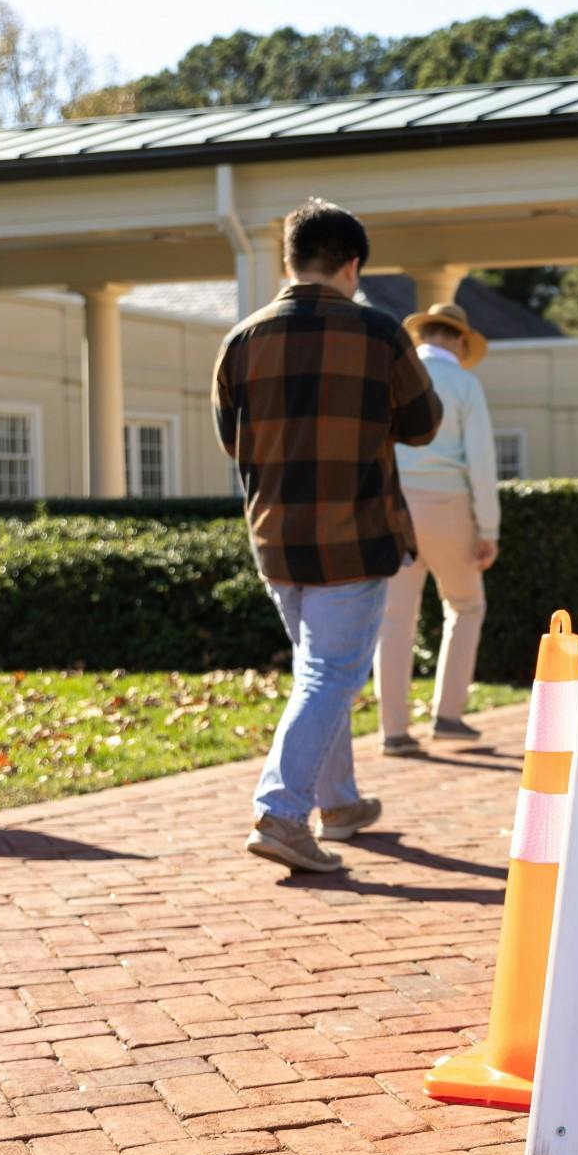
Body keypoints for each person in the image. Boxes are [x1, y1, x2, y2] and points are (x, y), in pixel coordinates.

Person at [213, 199, 441, 874]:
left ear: (288, 261)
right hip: (355, 533)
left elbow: (233, 440)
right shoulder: (378, 333)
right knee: (329, 673)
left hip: (276, 538)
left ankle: (339, 804)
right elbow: (423, 421)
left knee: (321, 674)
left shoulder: (241, 340)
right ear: (352, 265)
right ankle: (282, 811)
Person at [373, 301, 501, 756]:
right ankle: (447, 715)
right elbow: (481, 462)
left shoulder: (391, 379)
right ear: (461, 341)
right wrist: (489, 527)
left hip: (394, 504)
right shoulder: (465, 384)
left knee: (394, 619)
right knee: (466, 606)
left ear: (421, 335)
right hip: (448, 506)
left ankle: (393, 730)